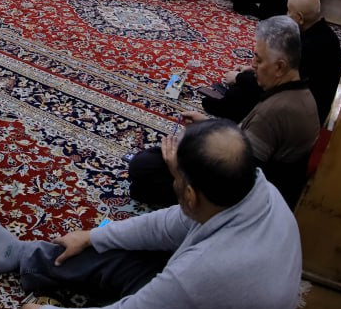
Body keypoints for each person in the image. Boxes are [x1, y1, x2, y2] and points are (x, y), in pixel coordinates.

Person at [0, 119, 301, 309]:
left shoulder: (203, 272)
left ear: (190, 195)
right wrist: (92, 236)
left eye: (176, 179)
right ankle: (22, 255)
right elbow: (169, 225)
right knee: (117, 244)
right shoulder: (259, 192)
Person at [132, 16, 320, 209]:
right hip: (258, 175)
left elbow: (236, 179)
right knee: (154, 161)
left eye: (259, 59)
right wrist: (208, 124)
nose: (253, 65)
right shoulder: (302, 95)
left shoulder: (273, 112)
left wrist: (177, 170)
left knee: (144, 167)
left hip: (246, 197)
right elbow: (247, 142)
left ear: (279, 67)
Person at [201, 0, 341, 128]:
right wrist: (252, 70)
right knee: (246, 83)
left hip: (302, 116)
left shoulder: (308, 47)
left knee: (240, 93)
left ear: (300, 18)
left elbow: (275, 83)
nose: (286, 15)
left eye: (289, 11)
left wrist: (238, 77)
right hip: (308, 104)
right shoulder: (325, 34)